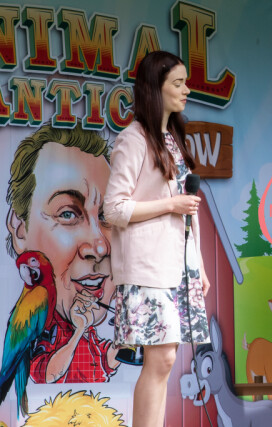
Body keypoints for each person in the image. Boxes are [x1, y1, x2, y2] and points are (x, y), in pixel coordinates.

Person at [104, 50, 211, 427]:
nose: (186, 91)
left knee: (167, 360)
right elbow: (113, 209)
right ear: (154, 89)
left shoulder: (172, 139)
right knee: (161, 358)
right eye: (177, 83)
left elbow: (188, 210)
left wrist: (198, 264)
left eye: (185, 83)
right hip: (147, 266)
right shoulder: (132, 140)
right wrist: (169, 204)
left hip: (178, 264)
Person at [5, 123, 119, 383]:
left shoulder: (88, 327)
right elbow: (47, 374)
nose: (100, 247)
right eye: (67, 214)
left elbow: (104, 360)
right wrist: (78, 332)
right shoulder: (41, 327)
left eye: (106, 216)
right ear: (20, 230)